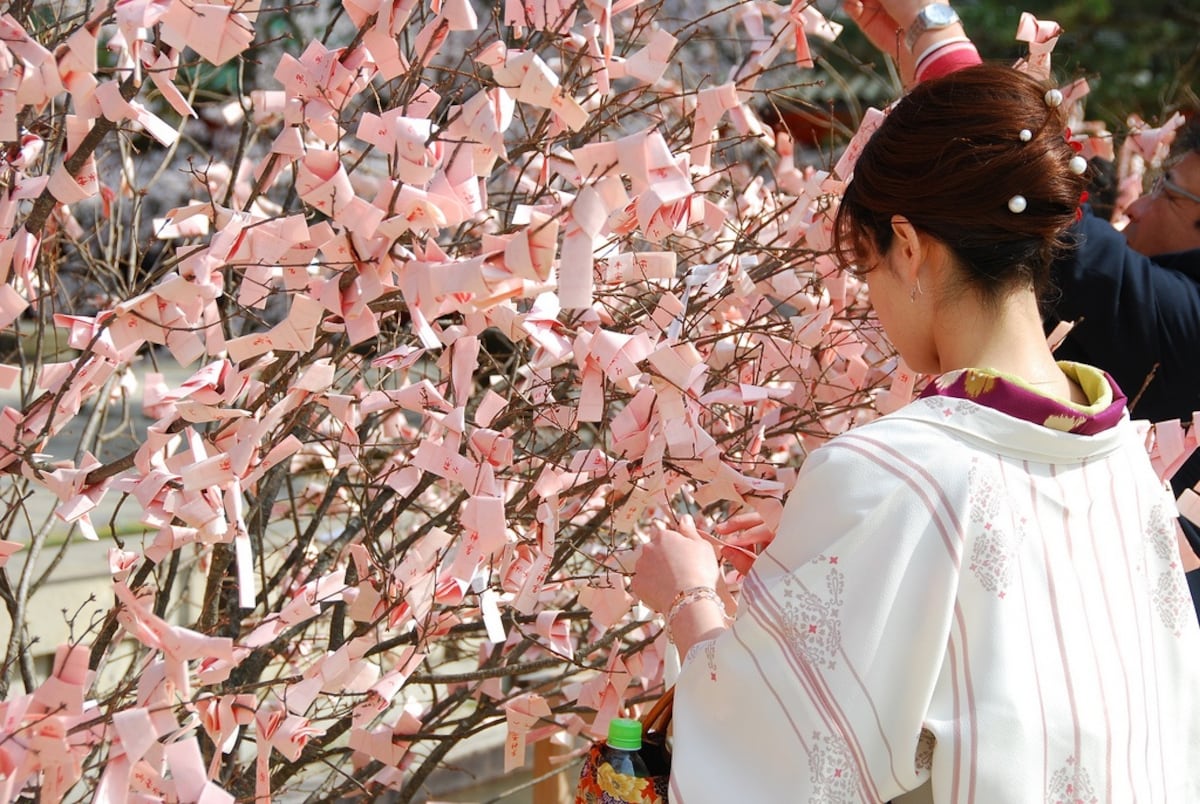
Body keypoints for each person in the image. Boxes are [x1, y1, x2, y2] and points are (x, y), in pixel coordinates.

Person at [631, 64, 1200, 801]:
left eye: (866, 268)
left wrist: (688, 600)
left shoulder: (888, 474)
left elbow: (771, 758)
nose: (875, 303)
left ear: (906, 245)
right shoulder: (1126, 458)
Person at [845, 0, 1200, 605]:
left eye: (1167, 193)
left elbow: (1071, 247)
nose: (1136, 205)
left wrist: (940, 41)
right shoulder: (1117, 459)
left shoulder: (876, 471)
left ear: (905, 244)